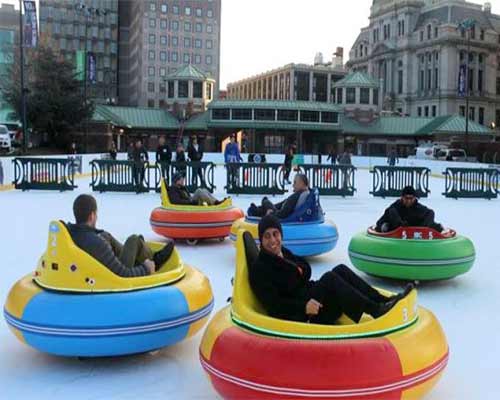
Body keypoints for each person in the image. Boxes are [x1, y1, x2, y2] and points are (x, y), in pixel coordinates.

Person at [249, 215, 413, 324]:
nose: (273, 240)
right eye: (267, 236)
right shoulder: (260, 268)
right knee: (329, 278)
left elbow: (306, 269)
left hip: (310, 296)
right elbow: (274, 305)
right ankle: (375, 310)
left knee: (340, 269)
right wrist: (303, 307)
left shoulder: (283, 252)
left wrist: (294, 267)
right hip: (301, 313)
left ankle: (381, 300)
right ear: (261, 239)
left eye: (275, 234)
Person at [67, 194, 174, 277]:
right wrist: (145, 269)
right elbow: (123, 274)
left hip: (95, 268)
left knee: (105, 235)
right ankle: (154, 260)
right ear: (92, 216)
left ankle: (139, 252)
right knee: (133, 240)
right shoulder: (96, 243)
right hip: (110, 279)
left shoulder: (72, 233)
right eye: (96, 214)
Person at [375, 186, 446, 233]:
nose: (409, 201)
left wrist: (425, 228)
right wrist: (384, 226)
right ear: (402, 197)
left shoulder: (420, 209)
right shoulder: (394, 208)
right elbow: (380, 222)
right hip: (397, 235)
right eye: (406, 198)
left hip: (418, 234)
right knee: (392, 212)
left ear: (415, 198)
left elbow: (430, 214)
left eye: (411, 198)